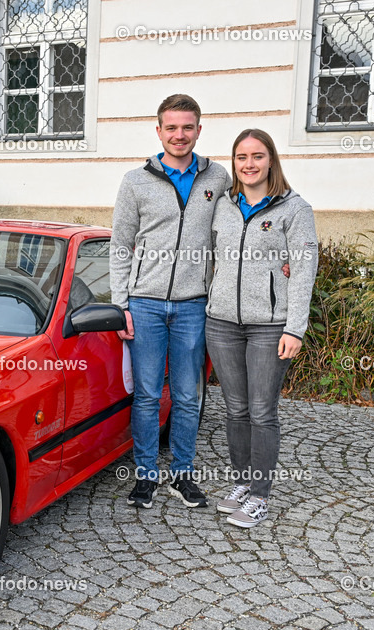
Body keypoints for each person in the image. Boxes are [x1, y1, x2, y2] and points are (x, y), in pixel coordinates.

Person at [110, 94, 230, 509]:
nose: (180, 135)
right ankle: (145, 476)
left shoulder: (219, 180)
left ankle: (182, 475)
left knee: (185, 395)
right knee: (145, 395)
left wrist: (275, 261)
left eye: (188, 127)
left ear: (199, 129)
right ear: (158, 130)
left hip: (193, 305)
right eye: (172, 127)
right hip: (143, 304)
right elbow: (121, 245)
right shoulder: (135, 181)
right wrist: (120, 302)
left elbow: (237, 230)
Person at [206, 129, 318, 528]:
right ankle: (240, 481)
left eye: (257, 156)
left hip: (270, 327)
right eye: (241, 157)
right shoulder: (222, 206)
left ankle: (259, 495)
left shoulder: (294, 209)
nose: (248, 164)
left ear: (271, 159)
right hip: (221, 323)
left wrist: (295, 328)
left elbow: (304, 269)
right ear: (234, 163)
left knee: (261, 411)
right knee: (234, 408)